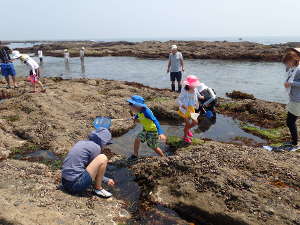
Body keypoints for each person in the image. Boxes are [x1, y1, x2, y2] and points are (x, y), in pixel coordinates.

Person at [61, 128, 115, 198]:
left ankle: (95, 186)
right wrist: (106, 180)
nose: (105, 146)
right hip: (75, 186)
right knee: (103, 157)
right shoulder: (96, 148)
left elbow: (88, 168)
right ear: (103, 142)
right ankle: (98, 189)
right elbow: (95, 171)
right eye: (106, 144)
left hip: (65, 182)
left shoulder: (82, 142)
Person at [127, 95, 167, 160]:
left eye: (131, 105)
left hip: (153, 131)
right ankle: (135, 155)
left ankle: (163, 157)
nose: (130, 106)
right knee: (137, 139)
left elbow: (155, 120)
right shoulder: (139, 110)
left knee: (153, 146)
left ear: (138, 105)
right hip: (145, 129)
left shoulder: (146, 111)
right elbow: (138, 115)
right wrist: (135, 118)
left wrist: (161, 133)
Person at [282, 49, 300, 151]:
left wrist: (291, 84)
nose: (287, 64)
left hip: (297, 100)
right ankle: (294, 142)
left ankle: (295, 143)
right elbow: (288, 71)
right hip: (293, 99)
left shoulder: (299, 69)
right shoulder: (293, 68)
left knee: (290, 121)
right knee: (291, 121)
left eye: (288, 62)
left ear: (294, 59)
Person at [177, 75, 201, 143]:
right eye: (193, 85)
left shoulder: (195, 89)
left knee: (195, 122)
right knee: (187, 123)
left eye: (195, 85)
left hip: (192, 109)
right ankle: (185, 137)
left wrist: (200, 97)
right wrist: (182, 105)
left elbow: (197, 94)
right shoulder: (184, 90)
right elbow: (179, 100)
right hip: (185, 110)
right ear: (188, 85)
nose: (194, 86)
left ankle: (186, 130)